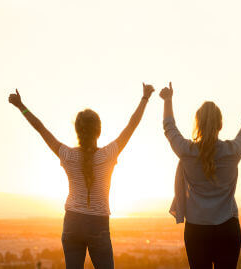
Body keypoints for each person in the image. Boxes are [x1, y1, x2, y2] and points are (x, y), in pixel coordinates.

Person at [8, 83, 155, 269]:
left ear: (77, 131)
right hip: (98, 224)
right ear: (99, 131)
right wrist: (145, 98)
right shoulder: (108, 155)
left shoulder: (68, 155)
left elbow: (41, 129)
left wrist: (21, 106)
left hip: (72, 223)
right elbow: (132, 125)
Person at [160, 81, 241, 269]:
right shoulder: (233, 152)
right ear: (221, 124)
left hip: (196, 231)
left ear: (197, 123)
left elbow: (169, 128)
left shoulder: (187, 152)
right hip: (228, 229)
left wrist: (167, 100)